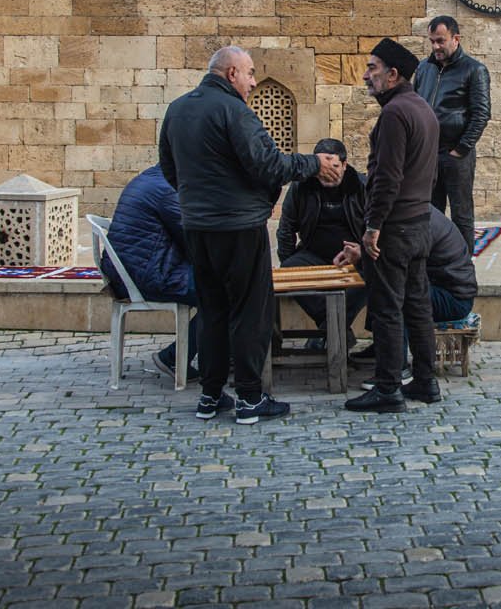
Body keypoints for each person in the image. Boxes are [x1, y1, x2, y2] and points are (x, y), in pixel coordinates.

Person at [159, 45, 343, 425]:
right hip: (239, 229)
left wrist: (198, 202)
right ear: (231, 74)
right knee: (249, 312)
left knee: (212, 311)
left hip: (198, 227)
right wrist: (312, 164)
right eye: (250, 73)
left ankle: (210, 397)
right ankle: (249, 398)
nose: (254, 81)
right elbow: (268, 164)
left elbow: (169, 169)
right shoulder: (234, 111)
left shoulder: (177, 109)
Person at [345, 37, 440, 413]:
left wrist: (372, 226)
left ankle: (387, 388)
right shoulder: (422, 109)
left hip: (396, 228)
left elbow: (387, 177)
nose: (367, 75)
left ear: (393, 74)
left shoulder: (395, 114)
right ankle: (426, 382)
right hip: (419, 224)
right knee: (417, 305)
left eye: (373, 68)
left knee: (386, 308)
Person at [335, 206, 479, 384]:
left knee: (395, 296)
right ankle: (384, 347)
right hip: (439, 286)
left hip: (453, 298)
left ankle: (397, 367)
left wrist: (362, 257)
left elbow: (396, 269)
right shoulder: (411, 211)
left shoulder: (412, 220)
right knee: (383, 287)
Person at [99, 165, 202, 381]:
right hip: (149, 275)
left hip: (130, 272)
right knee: (228, 294)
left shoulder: (149, 179)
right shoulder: (166, 190)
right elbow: (192, 240)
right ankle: (174, 357)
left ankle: (214, 351)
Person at [276, 137, 367, 350]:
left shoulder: (362, 186)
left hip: (352, 258)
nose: (329, 173)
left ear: (344, 165)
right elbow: (286, 227)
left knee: (374, 272)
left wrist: (361, 251)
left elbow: (377, 227)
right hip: (313, 255)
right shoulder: (302, 187)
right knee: (289, 269)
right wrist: (287, 261)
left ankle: (329, 329)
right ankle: (336, 329)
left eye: (334, 166)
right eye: (324, 167)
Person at [413, 15, 490, 256]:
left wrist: (461, 149)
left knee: (461, 213)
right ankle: (432, 261)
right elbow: (415, 105)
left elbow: (481, 114)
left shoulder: (474, 69)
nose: (435, 46)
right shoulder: (423, 68)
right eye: (432, 41)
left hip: (456, 155)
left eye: (440, 41)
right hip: (428, 154)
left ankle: (462, 267)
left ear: (456, 39)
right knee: (429, 211)